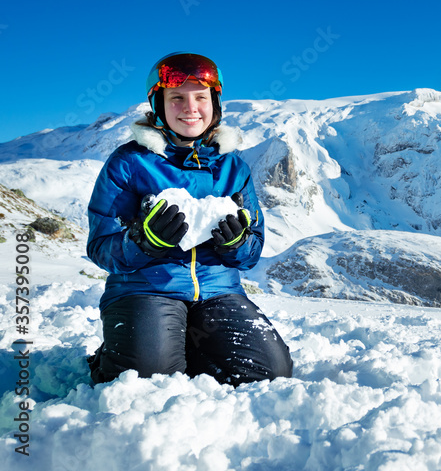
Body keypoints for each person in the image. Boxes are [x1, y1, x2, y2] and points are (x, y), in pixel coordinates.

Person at [86, 52, 292, 385]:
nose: (190, 107)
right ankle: (118, 355)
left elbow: (252, 252)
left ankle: (179, 349)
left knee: (271, 372)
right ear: (158, 106)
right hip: (145, 289)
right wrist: (143, 241)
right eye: (176, 98)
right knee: (148, 379)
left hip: (217, 291)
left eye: (201, 97)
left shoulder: (234, 168)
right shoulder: (129, 163)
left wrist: (237, 243)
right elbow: (100, 247)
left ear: (215, 104)